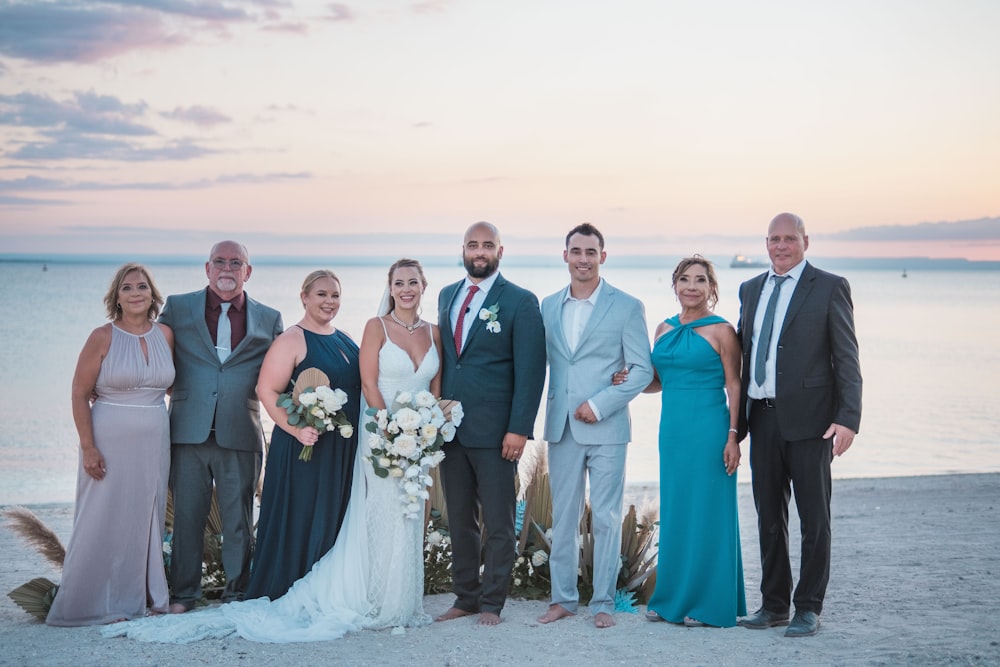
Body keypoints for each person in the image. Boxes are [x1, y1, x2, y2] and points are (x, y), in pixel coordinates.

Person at [736, 213, 862, 638]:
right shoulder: (750, 289)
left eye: (790, 238)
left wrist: (848, 419)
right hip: (762, 418)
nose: (781, 245)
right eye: (774, 239)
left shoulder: (829, 286)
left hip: (813, 423)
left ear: (806, 241)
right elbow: (742, 356)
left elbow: (847, 357)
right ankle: (773, 605)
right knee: (768, 516)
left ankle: (808, 606)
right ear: (766, 243)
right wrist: (737, 427)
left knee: (814, 518)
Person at [535, 223, 652, 629]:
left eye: (591, 252)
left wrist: (600, 404)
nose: (583, 259)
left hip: (607, 429)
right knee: (562, 519)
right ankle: (563, 599)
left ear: (603, 256)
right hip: (561, 427)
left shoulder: (626, 306)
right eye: (576, 251)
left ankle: (603, 601)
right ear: (564, 255)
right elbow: (544, 364)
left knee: (604, 517)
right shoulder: (548, 305)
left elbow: (641, 370)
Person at [47, 263, 175, 626]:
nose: (136, 293)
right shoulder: (102, 336)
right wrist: (88, 446)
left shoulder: (165, 335)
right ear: (116, 297)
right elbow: (78, 392)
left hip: (154, 441)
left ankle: (144, 598)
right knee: (101, 516)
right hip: (108, 439)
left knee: (146, 515)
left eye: (142, 286)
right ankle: (91, 603)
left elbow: (167, 386)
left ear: (152, 295)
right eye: (127, 287)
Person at [161, 241, 283, 613]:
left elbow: (282, 373)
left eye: (236, 262)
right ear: (207, 268)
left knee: (239, 521)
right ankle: (183, 594)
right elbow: (150, 352)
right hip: (187, 431)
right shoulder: (178, 307)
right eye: (220, 262)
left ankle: (236, 593)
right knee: (186, 518)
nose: (227, 269)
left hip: (241, 431)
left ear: (248, 272)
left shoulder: (269, 317)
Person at [435, 221, 546, 626]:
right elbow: (450, 360)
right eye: (472, 245)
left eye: (487, 245)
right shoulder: (448, 295)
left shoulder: (520, 301)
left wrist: (519, 428)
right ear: (462, 249)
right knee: (460, 520)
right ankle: (465, 596)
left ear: (501, 251)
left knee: (498, 522)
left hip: (498, 430)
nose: (479, 252)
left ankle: (492, 603)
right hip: (451, 430)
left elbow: (532, 371)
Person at [641, 256, 747, 628]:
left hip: (710, 430)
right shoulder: (662, 329)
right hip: (672, 431)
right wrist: (630, 378)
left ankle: (708, 604)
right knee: (678, 511)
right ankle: (671, 598)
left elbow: (735, 385)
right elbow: (658, 382)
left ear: (711, 288)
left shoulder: (722, 331)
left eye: (700, 280)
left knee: (709, 512)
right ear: (674, 285)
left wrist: (734, 436)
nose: (691, 286)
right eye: (684, 279)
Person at [245, 270, 362, 601]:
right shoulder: (292, 339)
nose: (329, 301)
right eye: (322, 294)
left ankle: (325, 591)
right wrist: (296, 429)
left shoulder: (344, 337)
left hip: (342, 447)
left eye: (335, 295)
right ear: (304, 297)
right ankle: (291, 590)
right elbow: (266, 389)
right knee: (303, 515)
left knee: (333, 516)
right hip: (305, 447)